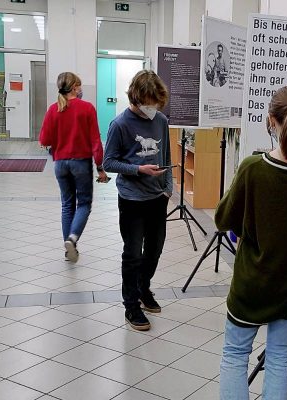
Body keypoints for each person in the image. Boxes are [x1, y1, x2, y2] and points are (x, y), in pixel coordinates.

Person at [216, 86, 287, 399]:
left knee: (235, 355)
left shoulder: (253, 168)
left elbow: (223, 219)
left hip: (252, 284)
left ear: (270, 121)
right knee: (280, 357)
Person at [103, 70, 172, 331]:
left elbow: (165, 154)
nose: (152, 109)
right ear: (137, 97)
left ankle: (144, 288)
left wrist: (168, 189)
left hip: (157, 197)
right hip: (131, 199)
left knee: (154, 250)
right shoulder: (120, 124)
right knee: (133, 253)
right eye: (148, 103)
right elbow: (108, 162)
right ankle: (131, 305)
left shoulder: (161, 121)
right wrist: (138, 170)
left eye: (156, 104)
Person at [39, 72, 108, 263]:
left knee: (67, 205)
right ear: (76, 87)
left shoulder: (53, 109)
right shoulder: (87, 108)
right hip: (80, 162)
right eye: (80, 86)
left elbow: (44, 140)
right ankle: (73, 238)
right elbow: (95, 140)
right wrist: (100, 166)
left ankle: (68, 248)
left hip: (60, 163)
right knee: (84, 203)